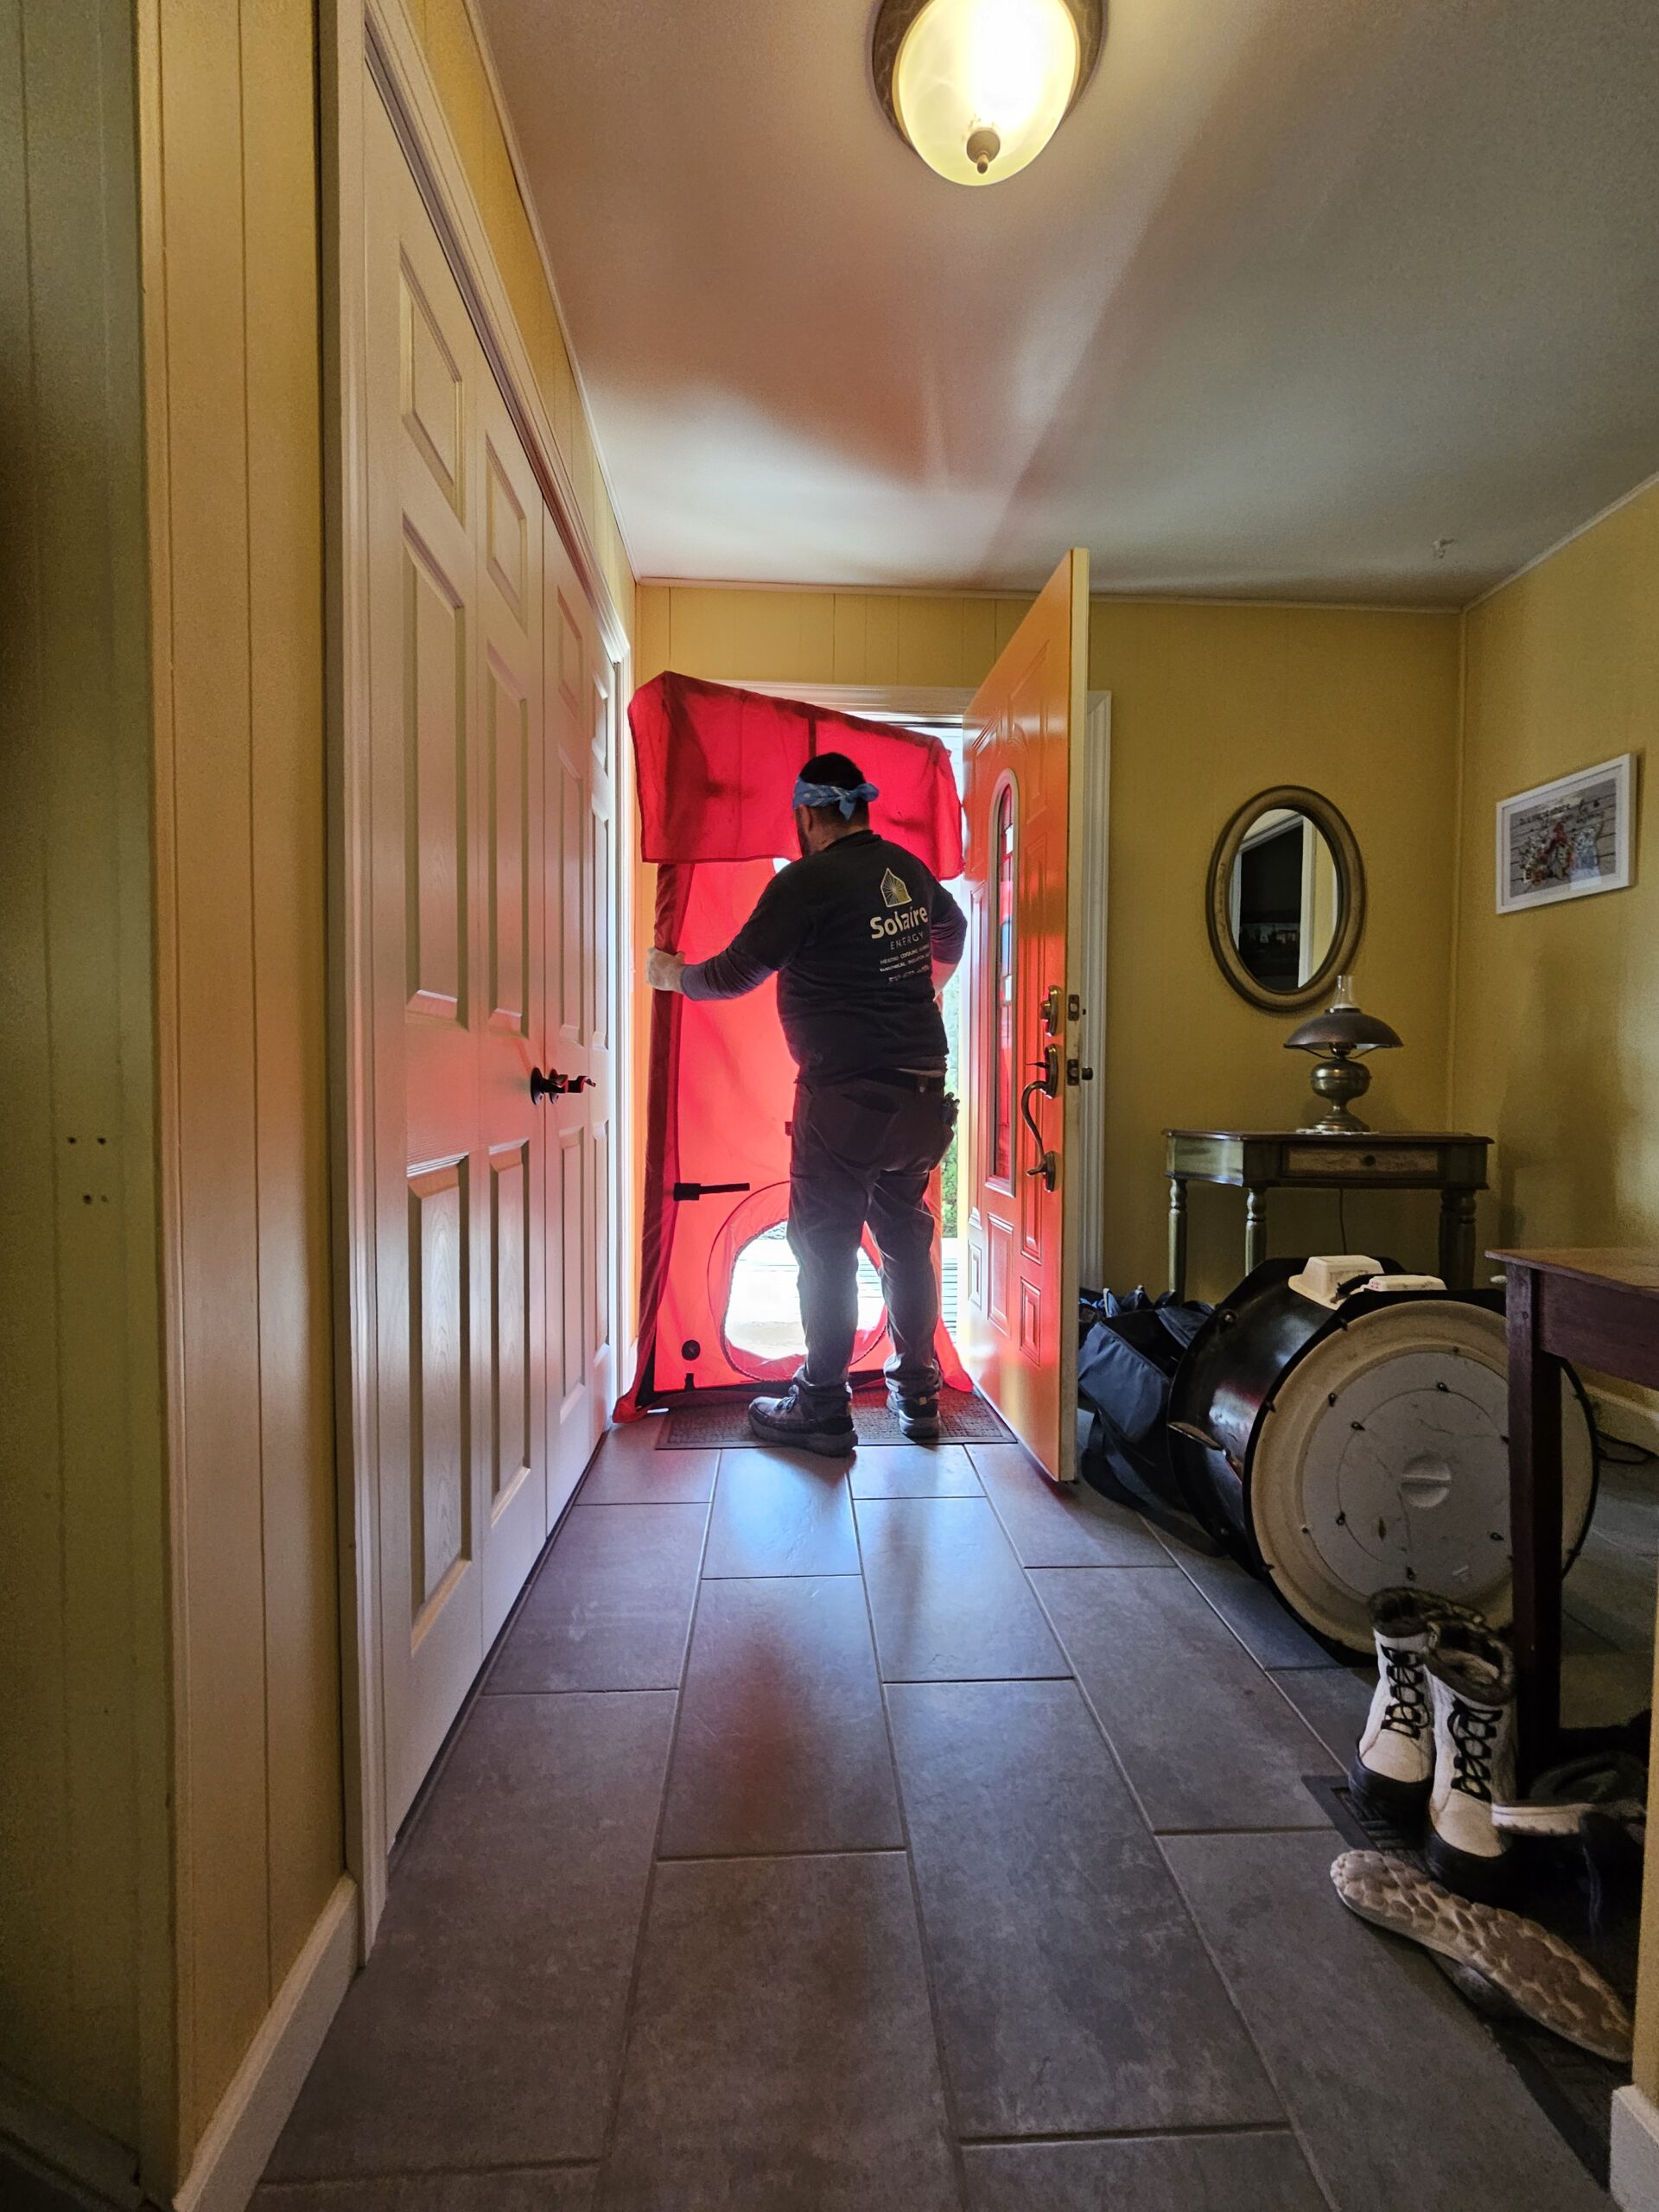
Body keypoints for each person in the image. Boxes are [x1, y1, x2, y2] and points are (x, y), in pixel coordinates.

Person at [646, 752, 966, 1455]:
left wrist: (669, 974)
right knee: (906, 1239)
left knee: (823, 1249)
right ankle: (918, 1394)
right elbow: (955, 931)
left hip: (847, 1099)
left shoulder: (808, 882)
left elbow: (732, 974)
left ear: (807, 815)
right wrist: (923, 986)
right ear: (863, 809)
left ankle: (821, 1404)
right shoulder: (908, 872)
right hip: (920, 1094)